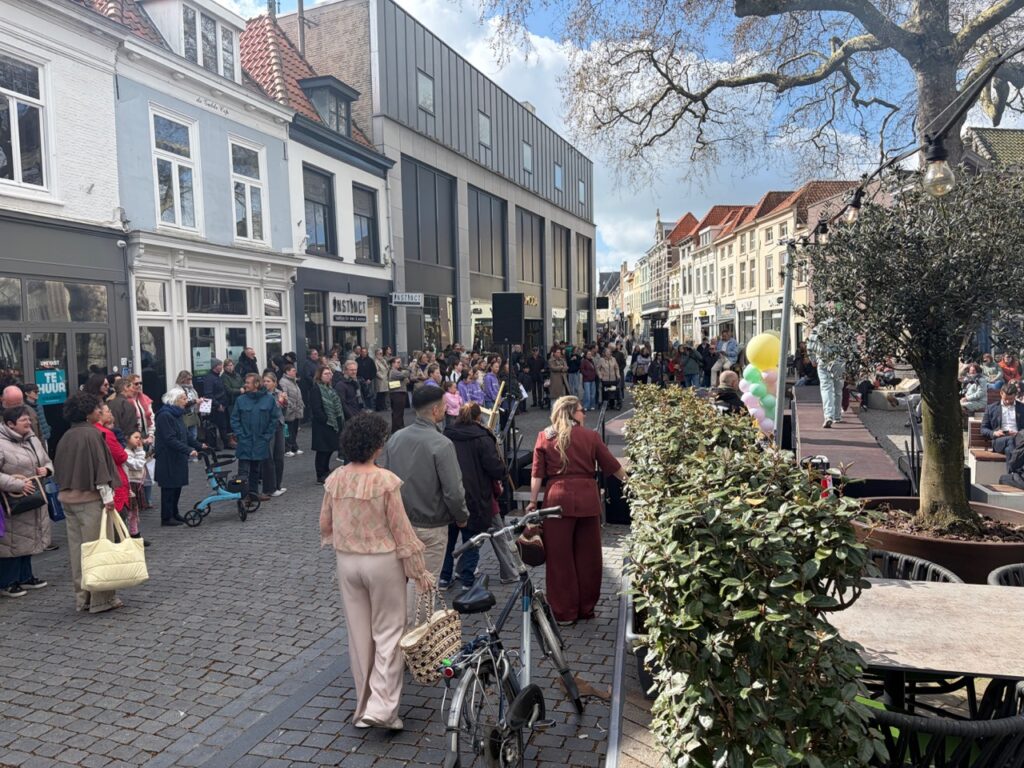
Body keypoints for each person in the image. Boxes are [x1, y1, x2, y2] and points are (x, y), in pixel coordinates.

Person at [320, 413, 432, 731]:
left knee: (359, 636)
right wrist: (419, 570)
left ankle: (363, 708)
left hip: (347, 560)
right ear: (376, 446)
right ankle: (382, 708)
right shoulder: (385, 481)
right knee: (388, 633)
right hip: (381, 561)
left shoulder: (335, 478)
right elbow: (401, 530)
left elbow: (325, 523)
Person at [526, 396, 625, 624]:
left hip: (556, 500)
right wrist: (633, 483)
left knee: (559, 558)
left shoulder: (545, 436)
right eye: (581, 410)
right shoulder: (591, 436)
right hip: (587, 498)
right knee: (589, 557)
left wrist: (532, 501)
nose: (584, 414)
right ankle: (586, 608)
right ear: (571, 412)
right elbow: (613, 466)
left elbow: (537, 473)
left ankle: (564, 612)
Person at [379, 386, 469, 618]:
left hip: (399, 524)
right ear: (436, 409)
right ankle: (416, 633)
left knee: (401, 583)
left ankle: (399, 628)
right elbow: (454, 491)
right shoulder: (441, 443)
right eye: (444, 405)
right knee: (424, 585)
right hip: (430, 525)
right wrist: (462, 517)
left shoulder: (396, 438)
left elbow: (386, 481)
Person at [52, 392, 124, 613]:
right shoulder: (93, 435)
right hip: (90, 500)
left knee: (78, 551)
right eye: (96, 408)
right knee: (99, 549)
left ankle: (82, 597)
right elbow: (101, 468)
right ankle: (101, 599)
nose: (99, 411)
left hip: (69, 499)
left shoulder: (66, 436)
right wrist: (108, 498)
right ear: (87, 413)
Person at [442, 403, 516, 589]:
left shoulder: (448, 435)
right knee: (475, 535)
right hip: (478, 494)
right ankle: (467, 578)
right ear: (477, 417)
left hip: (451, 492)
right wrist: (502, 473)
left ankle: (445, 577)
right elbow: (493, 466)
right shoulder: (482, 437)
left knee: (451, 538)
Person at [0, 405, 53, 598]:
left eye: (29, 419)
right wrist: (17, 484)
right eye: (24, 420)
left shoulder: (32, 439)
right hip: (12, 499)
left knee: (29, 537)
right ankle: (7, 582)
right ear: (10, 424)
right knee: (12, 541)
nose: (29, 423)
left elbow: (46, 460)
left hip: (33, 497)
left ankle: (25, 576)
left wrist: (47, 470)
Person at [154, 387, 203, 526]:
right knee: (169, 487)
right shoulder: (165, 416)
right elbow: (169, 439)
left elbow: (185, 434)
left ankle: (174, 513)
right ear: (175, 400)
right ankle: (166, 517)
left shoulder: (178, 414)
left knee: (177, 486)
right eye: (183, 398)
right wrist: (188, 450)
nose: (186, 401)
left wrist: (199, 445)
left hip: (178, 455)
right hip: (167, 457)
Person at [231, 374, 281, 499]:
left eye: (248, 382)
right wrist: (240, 435)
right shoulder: (241, 400)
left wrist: (266, 436)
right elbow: (234, 419)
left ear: (257, 384)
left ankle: (253, 494)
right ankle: (242, 496)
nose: (245, 385)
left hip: (260, 441)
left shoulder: (269, 399)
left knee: (255, 470)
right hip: (245, 440)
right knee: (243, 471)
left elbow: (274, 419)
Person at [807, 320, 845, 429]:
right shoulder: (842, 326)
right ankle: (837, 416)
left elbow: (810, 344)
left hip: (823, 360)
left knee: (826, 388)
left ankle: (828, 416)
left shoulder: (819, 327)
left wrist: (812, 358)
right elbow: (850, 344)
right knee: (838, 389)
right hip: (839, 361)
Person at [310, 366, 344, 483]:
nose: (329, 376)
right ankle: (320, 474)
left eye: (330, 374)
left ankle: (326, 470)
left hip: (332, 423)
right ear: (319, 376)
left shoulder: (330, 389)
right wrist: (325, 419)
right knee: (322, 450)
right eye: (325, 374)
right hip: (322, 425)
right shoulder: (316, 389)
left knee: (329, 449)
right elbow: (316, 408)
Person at [981, 384, 1024, 474]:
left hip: (1018, 439)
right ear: (1001, 394)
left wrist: (1019, 433)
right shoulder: (991, 408)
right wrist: (994, 433)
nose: (1008, 401)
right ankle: (1016, 473)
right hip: (999, 440)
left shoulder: (1022, 408)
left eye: (1011, 399)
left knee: (1009, 450)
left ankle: (1012, 475)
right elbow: (983, 429)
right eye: (1005, 399)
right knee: (1010, 440)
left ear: (1015, 395)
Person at [261, 372, 287, 497]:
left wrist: (285, 402)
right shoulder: (262, 395)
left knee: (279, 456)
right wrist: (279, 402)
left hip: (279, 424)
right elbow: (270, 409)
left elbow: (284, 409)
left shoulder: (279, 393)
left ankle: (278, 484)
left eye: (268, 381)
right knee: (269, 457)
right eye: (264, 381)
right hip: (268, 427)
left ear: (275, 383)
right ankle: (269, 488)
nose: (266, 383)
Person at [124, 431, 148, 541]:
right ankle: (127, 535)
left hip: (137, 484)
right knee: (130, 512)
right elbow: (137, 465)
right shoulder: (126, 452)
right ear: (127, 438)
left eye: (140, 437)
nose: (139, 439)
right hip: (130, 484)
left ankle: (135, 533)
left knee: (135, 511)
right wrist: (140, 451)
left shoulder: (135, 451)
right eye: (135, 437)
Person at [201, 360, 230, 449]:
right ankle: (214, 445)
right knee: (214, 427)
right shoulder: (209, 378)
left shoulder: (218, 377)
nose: (221, 367)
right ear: (215, 366)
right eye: (220, 365)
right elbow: (208, 394)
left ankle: (225, 443)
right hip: (215, 407)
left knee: (223, 425)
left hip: (222, 405)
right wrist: (217, 405)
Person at [279, 364, 305, 457]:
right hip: (289, 410)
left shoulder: (294, 381)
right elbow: (284, 395)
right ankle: (287, 448)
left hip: (296, 410)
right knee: (288, 430)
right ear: (287, 372)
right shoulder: (283, 382)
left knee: (294, 429)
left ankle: (294, 446)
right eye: (293, 370)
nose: (295, 372)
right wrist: (291, 405)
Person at [174, 370, 201, 446]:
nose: (190, 381)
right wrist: (195, 401)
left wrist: (199, 401)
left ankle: (192, 450)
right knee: (185, 435)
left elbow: (194, 398)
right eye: (188, 379)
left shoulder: (191, 388)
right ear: (182, 379)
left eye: (191, 379)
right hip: (183, 414)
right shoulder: (178, 389)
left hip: (192, 413)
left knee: (193, 435)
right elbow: (182, 403)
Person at [21, 384, 50, 449]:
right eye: (35, 392)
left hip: (44, 437)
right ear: (27, 393)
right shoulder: (24, 408)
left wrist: (47, 429)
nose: (37, 393)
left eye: (38, 391)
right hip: (33, 439)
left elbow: (43, 421)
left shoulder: (39, 405)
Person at [387, 357, 411, 433]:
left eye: (400, 362)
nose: (399, 364)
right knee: (398, 412)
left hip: (398, 393)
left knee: (398, 412)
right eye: (397, 362)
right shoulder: (394, 372)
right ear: (392, 363)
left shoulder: (396, 371)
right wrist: (409, 368)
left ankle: (397, 427)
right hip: (397, 393)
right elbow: (405, 374)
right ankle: (398, 428)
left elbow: (407, 381)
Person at [299, 348, 321, 422]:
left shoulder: (317, 363)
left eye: (317, 354)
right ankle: (307, 418)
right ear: (310, 355)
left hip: (315, 386)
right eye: (314, 354)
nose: (316, 355)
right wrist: (315, 382)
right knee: (308, 403)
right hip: (308, 387)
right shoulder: (307, 363)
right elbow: (307, 375)